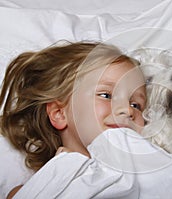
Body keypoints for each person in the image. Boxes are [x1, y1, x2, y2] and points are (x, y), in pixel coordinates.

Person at [0, 41, 147, 198]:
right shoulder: (33, 189)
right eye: (106, 95)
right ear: (59, 113)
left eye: (136, 105)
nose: (128, 109)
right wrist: (63, 172)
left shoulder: (152, 173)